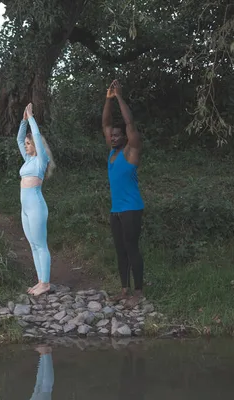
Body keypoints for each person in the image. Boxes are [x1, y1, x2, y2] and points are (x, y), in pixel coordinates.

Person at [102, 80, 145, 308]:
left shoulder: (131, 151)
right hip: (116, 210)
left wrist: (119, 96)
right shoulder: (112, 153)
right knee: (120, 250)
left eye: (118, 135)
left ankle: (138, 292)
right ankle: (124, 290)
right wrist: (108, 99)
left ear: (125, 137)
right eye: (112, 136)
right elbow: (106, 122)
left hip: (131, 209)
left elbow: (130, 123)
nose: (114, 137)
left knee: (131, 248)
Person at [17, 103, 56, 296]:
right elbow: (18, 139)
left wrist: (31, 117)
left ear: (36, 145)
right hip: (25, 207)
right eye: (26, 144)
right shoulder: (28, 160)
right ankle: (40, 281)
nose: (26, 146)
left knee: (41, 244)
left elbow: (37, 137)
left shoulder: (41, 160)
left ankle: (46, 283)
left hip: (36, 207)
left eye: (29, 143)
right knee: (32, 245)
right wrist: (23, 121)